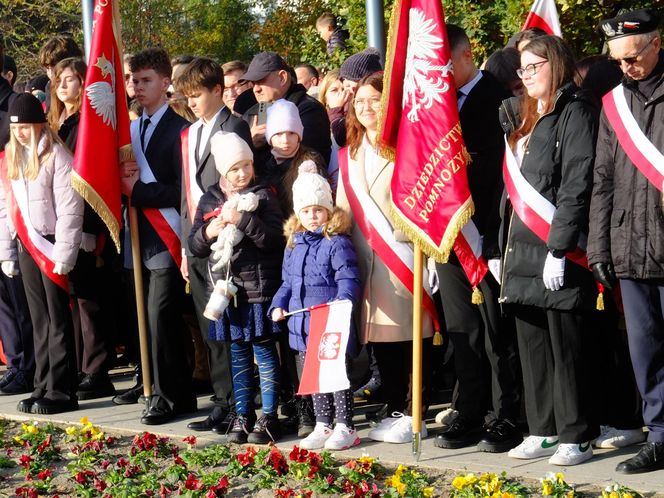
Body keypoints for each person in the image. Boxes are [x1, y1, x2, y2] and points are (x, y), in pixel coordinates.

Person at [500, 35, 600, 466]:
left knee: (566, 347)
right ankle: (542, 429)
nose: (526, 76)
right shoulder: (523, 116)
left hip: (559, 250)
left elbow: (577, 184)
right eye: (521, 69)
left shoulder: (575, 112)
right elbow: (510, 191)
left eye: (533, 67)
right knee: (533, 346)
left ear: (555, 65)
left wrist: (559, 248)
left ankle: (577, 433)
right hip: (521, 249)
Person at [433, 24, 522, 454]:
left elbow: (504, 172)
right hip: (447, 233)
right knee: (462, 330)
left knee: (495, 330)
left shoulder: (499, 99)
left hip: (487, 230)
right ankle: (468, 408)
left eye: (443, 65)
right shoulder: (433, 106)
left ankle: (506, 414)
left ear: (466, 56)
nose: (437, 75)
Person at [336, 71, 434, 444]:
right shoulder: (351, 153)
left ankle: (414, 412)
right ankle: (394, 407)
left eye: (373, 100)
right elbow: (345, 209)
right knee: (381, 340)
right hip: (366, 260)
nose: (364, 108)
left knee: (410, 337)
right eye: (358, 102)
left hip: (403, 255)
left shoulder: (406, 145)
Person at [588, 8, 664, 474]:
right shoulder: (613, 102)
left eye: (633, 57)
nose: (626, 68)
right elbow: (603, 179)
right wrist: (599, 247)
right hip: (629, 246)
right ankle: (659, 435)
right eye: (618, 61)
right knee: (646, 351)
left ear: (657, 43)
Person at [188, 131, 284, 444]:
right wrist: (208, 232)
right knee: (238, 353)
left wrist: (241, 219)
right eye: (234, 169)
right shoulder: (211, 198)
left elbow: (273, 239)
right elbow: (194, 245)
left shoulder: (265, 194)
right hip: (228, 292)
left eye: (246, 165)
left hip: (258, 287)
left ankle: (269, 415)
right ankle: (244, 413)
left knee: (264, 351)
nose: (242, 173)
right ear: (222, 171)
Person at [118, 48, 196, 424]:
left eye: (146, 80)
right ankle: (160, 389)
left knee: (160, 315)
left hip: (169, 237)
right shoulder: (131, 128)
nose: (137, 87)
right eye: (133, 80)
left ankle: (170, 395)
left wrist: (139, 192)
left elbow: (182, 190)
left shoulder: (180, 130)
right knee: (145, 318)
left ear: (166, 82)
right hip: (139, 236)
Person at [175, 56, 252, 434]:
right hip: (199, 240)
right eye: (187, 95)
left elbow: (240, 182)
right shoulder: (190, 133)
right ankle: (222, 400)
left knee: (229, 324)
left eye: (197, 94)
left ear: (218, 91)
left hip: (227, 239)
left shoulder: (233, 124)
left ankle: (238, 401)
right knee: (210, 328)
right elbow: (185, 192)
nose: (191, 102)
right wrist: (185, 245)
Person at [0, 93, 83, 414]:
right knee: (38, 321)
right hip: (25, 247)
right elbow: (7, 209)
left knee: (57, 320)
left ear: (39, 124)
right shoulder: (12, 157)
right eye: (16, 126)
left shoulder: (57, 156)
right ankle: (42, 385)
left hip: (51, 246)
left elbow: (70, 209)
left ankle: (61, 390)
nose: (20, 132)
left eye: (26, 126)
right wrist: (6, 250)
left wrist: (65, 251)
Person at [270, 172, 361, 450]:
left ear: (328, 211)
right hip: (302, 325)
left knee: (335, 375)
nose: (313, 216)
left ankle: (346, 425)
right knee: (314, 378)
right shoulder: (294, 244)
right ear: (299, 213)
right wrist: (278, 304)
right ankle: (323, 423)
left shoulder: (337, 242)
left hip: (328, 323)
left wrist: (343, 302)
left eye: (318, 210)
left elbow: (349, 278)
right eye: (307, 211)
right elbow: (287, 282)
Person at [47, 57, 116, 400]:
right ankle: (78, 366)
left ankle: (97, 369)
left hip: (84, 218)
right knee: (73, 298)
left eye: (71, 79)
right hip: (58, 218)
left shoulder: (86, 122)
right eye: (59, 78)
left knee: (89, 299)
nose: (63, 85)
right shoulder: (53, 121)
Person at [0, 41, 35, 397]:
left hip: (15, 212)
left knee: (20, 297)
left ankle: (28, 365)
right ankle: (15, 362)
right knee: (3, 301)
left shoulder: (12, 103)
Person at [239, 51, 331, 166]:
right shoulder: (254, 112)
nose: (256, 89)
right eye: (253, 83)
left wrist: (252, 146)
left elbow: (298, 163)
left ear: (282, 77)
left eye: (261, 81)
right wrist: (250, 143)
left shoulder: (309, 110)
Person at [262, 99, 328, 215]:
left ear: (299, 135)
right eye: (278, 134)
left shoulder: (311, 162)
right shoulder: (263, 162)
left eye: (291, 133)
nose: (285, 140)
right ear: (269, 138)